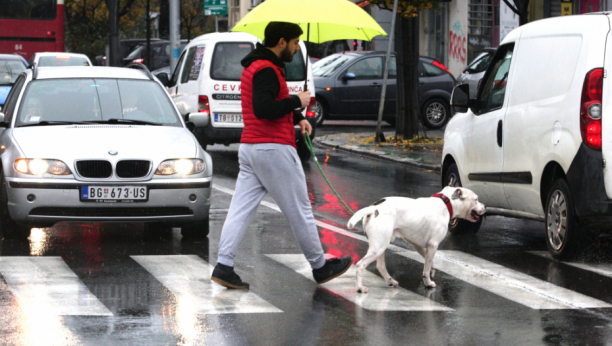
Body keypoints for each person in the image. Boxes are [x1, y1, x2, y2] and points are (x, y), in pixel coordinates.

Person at [211, 22, 352, 289]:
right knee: (300, 210)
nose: (297, 47)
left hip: (251, 147)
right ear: (281, 42)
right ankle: (320, 267)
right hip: (273, 147)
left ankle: (224, 265)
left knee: (239, 211)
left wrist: (298, 117)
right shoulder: (266, 69)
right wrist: (298, 102)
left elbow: (273, 99)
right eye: (295, 42)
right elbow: (264, 107)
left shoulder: (257, 65)